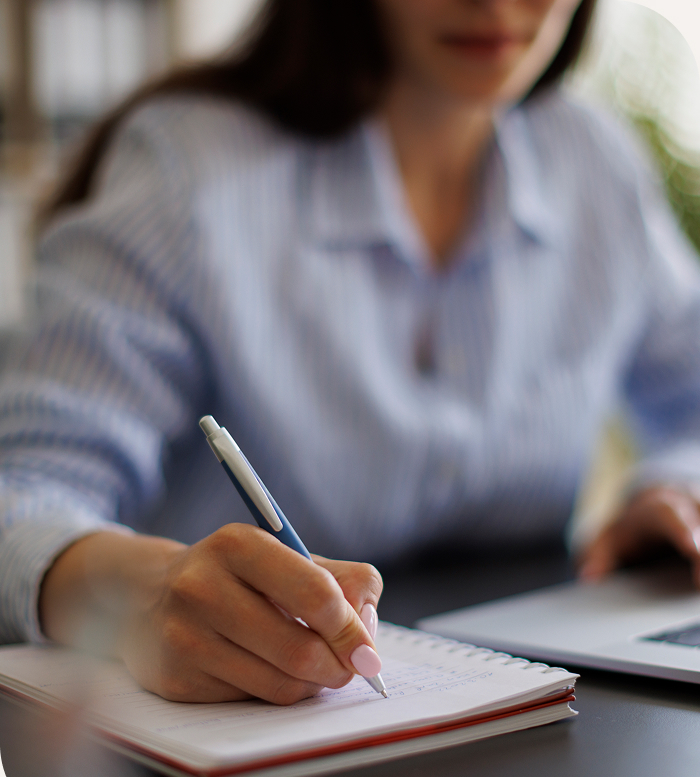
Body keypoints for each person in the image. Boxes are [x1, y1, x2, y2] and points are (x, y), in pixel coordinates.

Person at [2, 0, 700, 705]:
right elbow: (22, 491)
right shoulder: (186, 174)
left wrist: (675, 486)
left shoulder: (597, 165)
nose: (493, 2)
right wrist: (143, 589)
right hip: (237, 743)